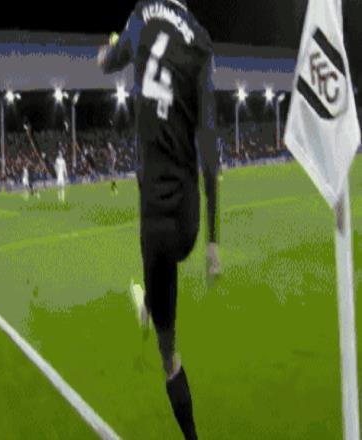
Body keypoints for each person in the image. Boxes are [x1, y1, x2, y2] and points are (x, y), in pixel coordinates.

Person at [98, 0, 220, 438]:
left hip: (156, 220)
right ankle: (151, 295)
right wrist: (213, 240)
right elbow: (209, 143)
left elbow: (107, 63)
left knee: (169, 356)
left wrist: (108, 51)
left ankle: (150, 299)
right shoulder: (200, 41)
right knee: (166, 264)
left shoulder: (139, 17)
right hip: (189, 218)